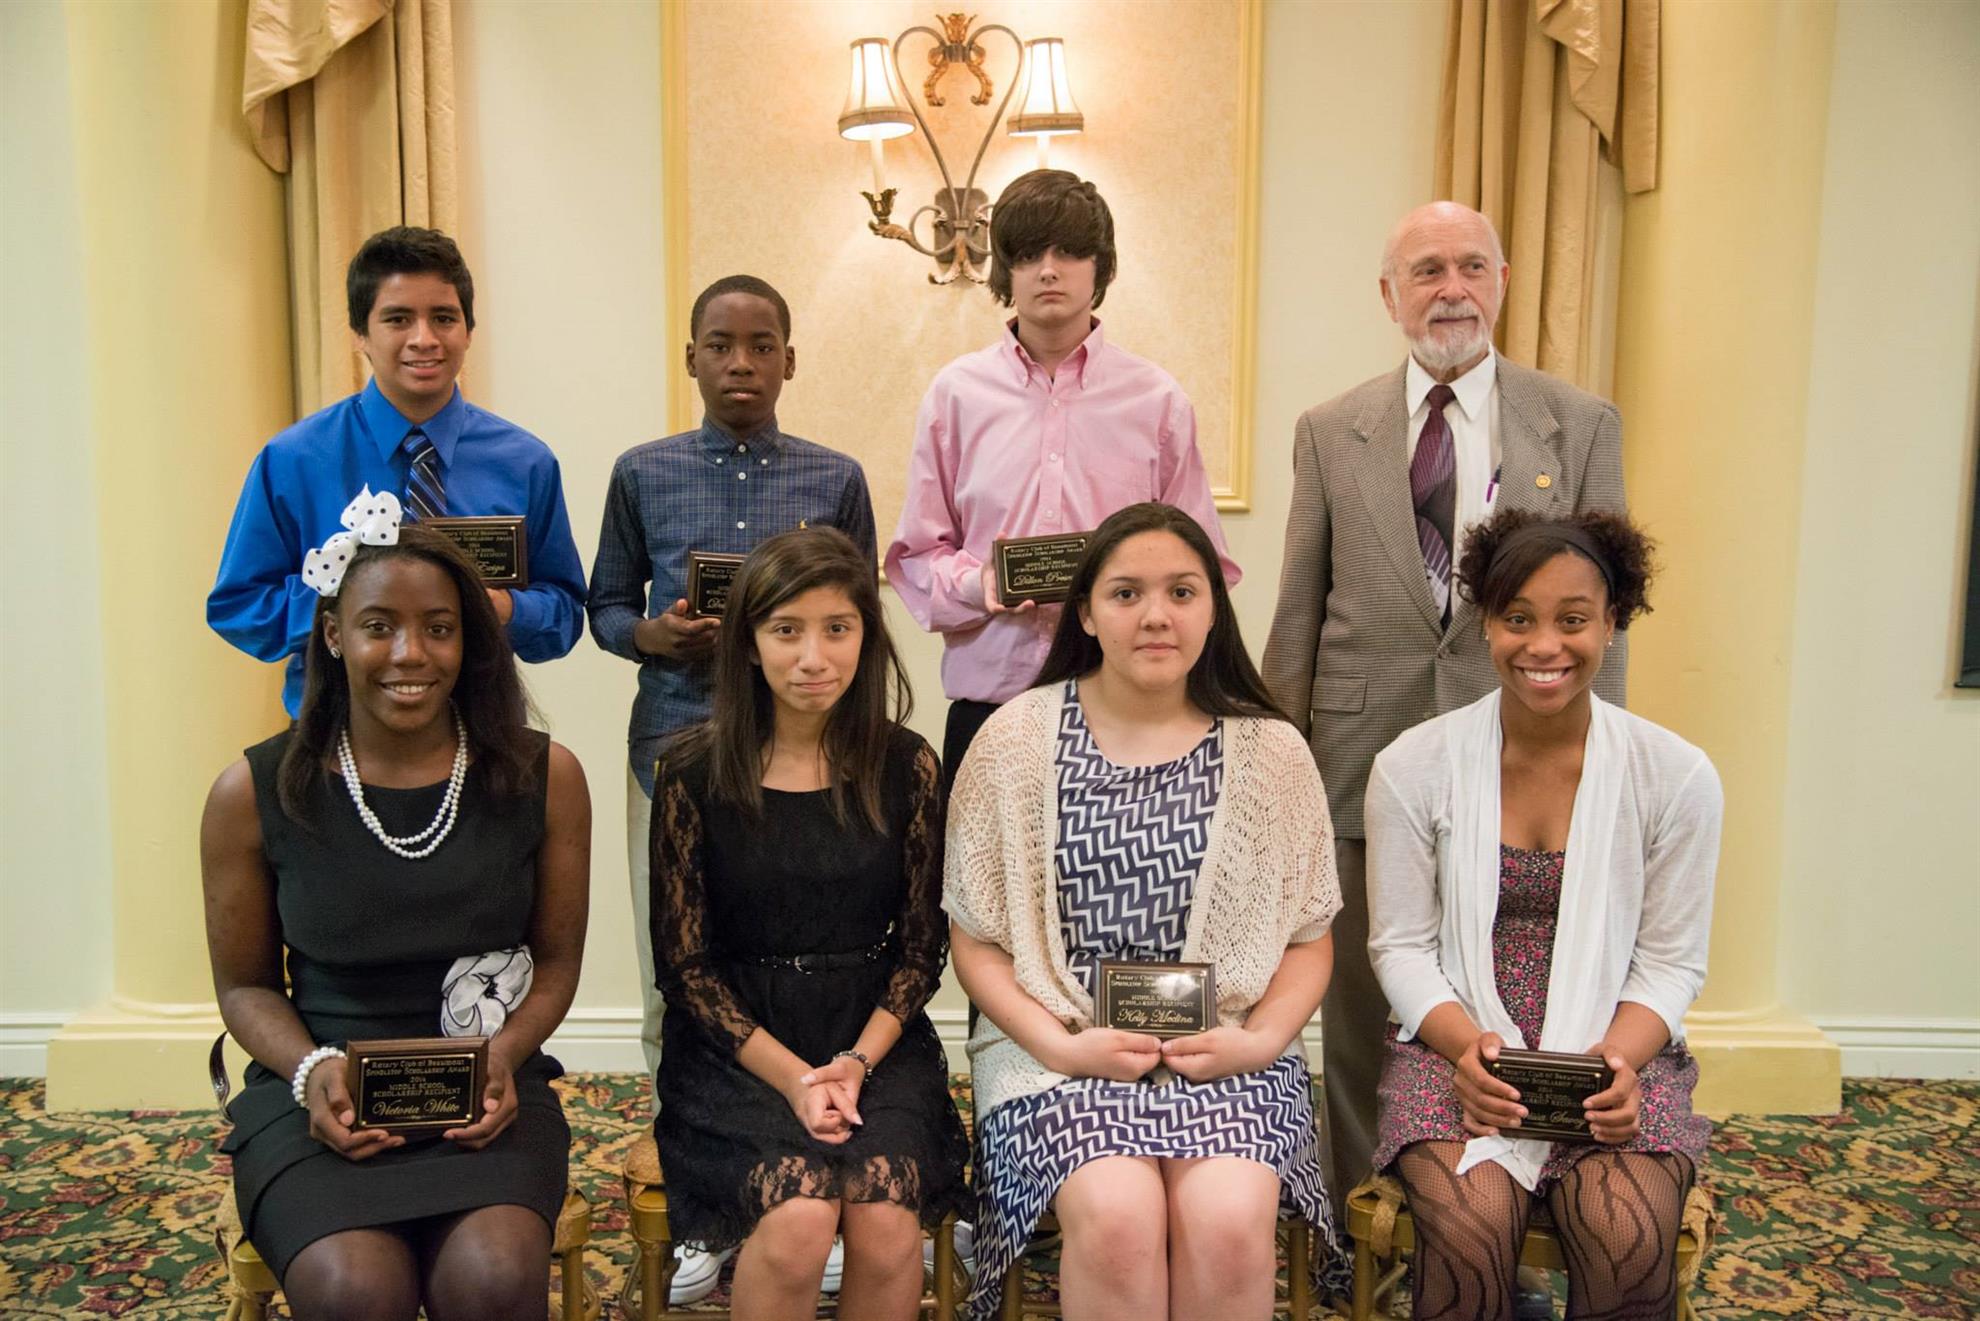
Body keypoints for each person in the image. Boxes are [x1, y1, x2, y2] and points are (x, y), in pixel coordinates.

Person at [1260, 201, 1628, 1214]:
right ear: (1389, 295)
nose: (1450, 288)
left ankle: (1494, 1205)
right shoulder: (1332, 430)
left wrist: (1605, 771)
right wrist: (1272, 767)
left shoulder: (1580, 424)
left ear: (1503, 281)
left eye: (1471, 266)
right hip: (1353, 754)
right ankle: (1353, 1214)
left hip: (1524, 757)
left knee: (1508, 995)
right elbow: (1299, 606)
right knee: (1358, 1003)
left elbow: (1608, 617)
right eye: (1426, 270)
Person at [946, 502, 1346, 1320]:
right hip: (1055, 1050)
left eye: (1182, 591)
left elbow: (1310, 939)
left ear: (1213, 608)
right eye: (1126, 593)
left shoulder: (1274, 751)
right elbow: (976, 941)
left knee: (1231, 1221)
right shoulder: (1013, 740)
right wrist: (1063, 1044)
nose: (1156, 615)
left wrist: (1260, 1041)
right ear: (1086, 612)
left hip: (1233, 1049)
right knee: (1120, 1218)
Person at [200, 495, 590, 1319]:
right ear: (335, 636)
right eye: (379, 625)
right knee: (355, 1289)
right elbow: (244, 987)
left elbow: (554, 963)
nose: (410, 652)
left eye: (438, 627)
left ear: (467, 639)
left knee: (488, 1279)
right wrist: (311, 1073)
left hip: (489, 1084)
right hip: (318, 1082)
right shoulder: (251, 792)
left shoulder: (544, 776)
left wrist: (507, 1053)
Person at [589, 273, 877, 1301]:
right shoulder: (642, 470)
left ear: (790, 359)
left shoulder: (835, 476)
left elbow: (861, 617)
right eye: (721, 344)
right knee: (683, 981)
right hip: (677, 755)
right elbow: (603, 606)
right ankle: (705, 1205)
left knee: (809, 970)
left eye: (762, 344)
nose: (741, 362)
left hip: (811, 767)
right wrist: (653, 635)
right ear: (692, 359)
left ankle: (820, 1178)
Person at [1364, 509, 1719, 1320]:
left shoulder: (1678, 776)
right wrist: (1469, 1051)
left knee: (1622, 1231)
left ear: (1614, 620)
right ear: (1485, 622)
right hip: (1454, 1041)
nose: (1544, 646)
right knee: (1469, 1222)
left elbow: (1671, 962)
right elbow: (1402, 947)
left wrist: (1617, 1067)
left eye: (1573, 619)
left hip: (1616, 1045)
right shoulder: (1410, 767)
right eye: (1517, 618)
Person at [648, 526, 968, 1320]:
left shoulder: (908, 764)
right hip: (739, 1047)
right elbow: (684, 966)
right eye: (786, 630)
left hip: (873, 1033)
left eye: (838, 628)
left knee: (889, 1225)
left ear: (867, 635)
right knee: (797, 1222)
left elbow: (924, 949)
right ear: (749, 644)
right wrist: (796, 1076)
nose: (813, 657)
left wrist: (854, 1062)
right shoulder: (691, 768)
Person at [887, 169, 1239, 792]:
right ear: (1004, 272)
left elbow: (1204, 562)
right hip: (989, 711)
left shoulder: (1156, 400)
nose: (1048, 270)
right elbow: (915, 559)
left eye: (1069, 251)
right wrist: (981, 584)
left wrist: (1135, 596)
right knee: (979, 891)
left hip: (1128, 707)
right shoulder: (955, 396)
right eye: (1027, 255)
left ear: (1100, 268)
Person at [209, 226, 587, 719]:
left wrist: (506, 611)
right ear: (360, 334)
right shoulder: (295, 459)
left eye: (444, 318)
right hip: (335, 734)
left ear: (469, 331)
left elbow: (563, 613)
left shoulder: (524, 461)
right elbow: (239, 607)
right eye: (398, 319)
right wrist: (348, 608)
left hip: (482, 731)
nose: (423, 339)